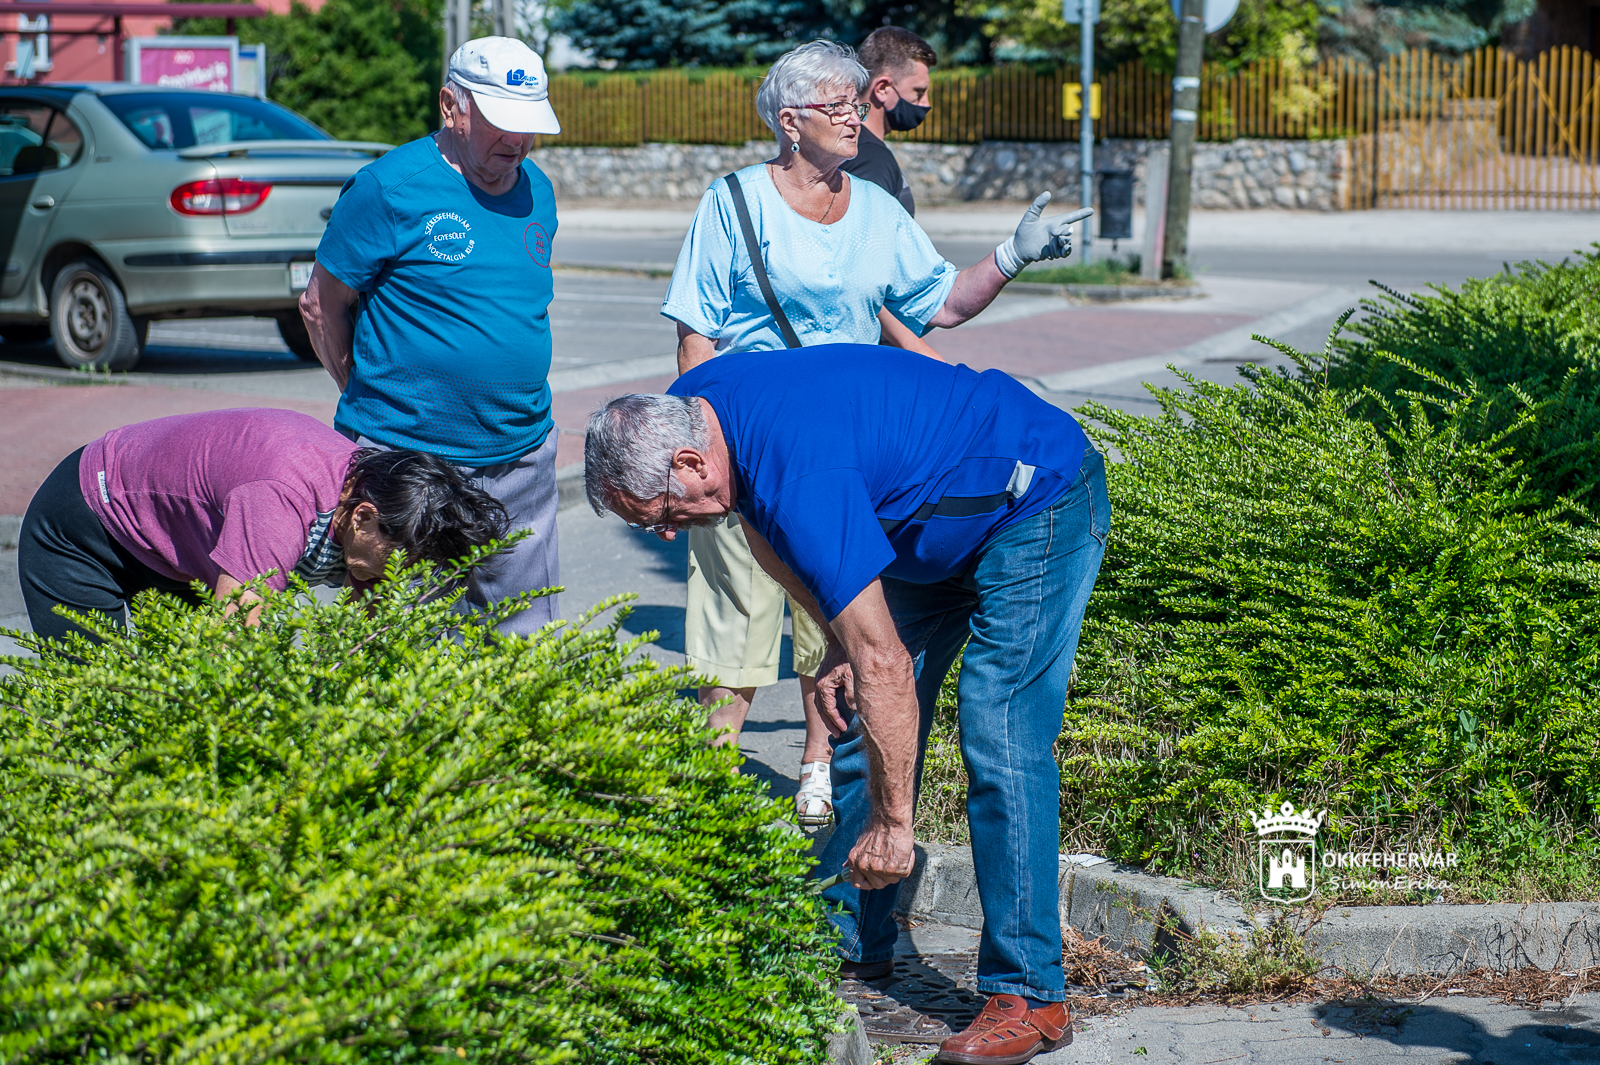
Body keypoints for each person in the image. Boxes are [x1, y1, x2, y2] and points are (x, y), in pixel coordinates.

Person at [583, 344, 1109, 1064]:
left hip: (1031, 499)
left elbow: (886, 659)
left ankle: (1032, 994)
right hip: (932, 525)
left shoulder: (800, 470)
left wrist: (897, 823)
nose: (668, 531)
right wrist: (837, 638)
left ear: (688, 463)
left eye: (663, 511)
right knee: (862, 708)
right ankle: (850, 942)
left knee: (1000, 729)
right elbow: (760, 527)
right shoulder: (699, 407)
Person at [662, 39, 1087, 830]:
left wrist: (1010, 256)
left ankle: (821, 772)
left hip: (852, 459)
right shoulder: (734, 203)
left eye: (859, 103)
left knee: (842, 633)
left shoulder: (877, 209)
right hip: (744, 453)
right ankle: (706, 792)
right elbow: (695, 338)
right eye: (839, 106)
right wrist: (703, 451)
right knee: (735, 624)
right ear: (791, 123)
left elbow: (942, 303)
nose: (858, 116)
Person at [299, 36, 563, 636]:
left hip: (520, 457)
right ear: (452, 107)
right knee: (403, 641)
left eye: (529, 127)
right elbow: (321, 305)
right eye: (502, 124)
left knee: (526, 642)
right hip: (406, 462)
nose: (517, 143)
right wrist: (368, 399)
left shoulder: (538, 189)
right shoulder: (389, 187)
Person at [18, 408, 511, 640]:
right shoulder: (281, 502)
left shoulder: (375, 495)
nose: (400, 579)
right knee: (102, 706)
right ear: (362, 517)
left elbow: (366, 634)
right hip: (83, 525)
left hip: (180, 549)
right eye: (400, 563)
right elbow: (233, 643)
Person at [842, 26, 936, 215]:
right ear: (882, 88)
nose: (925, 104)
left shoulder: (854, 144)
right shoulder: (870, 157)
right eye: (918, 92)